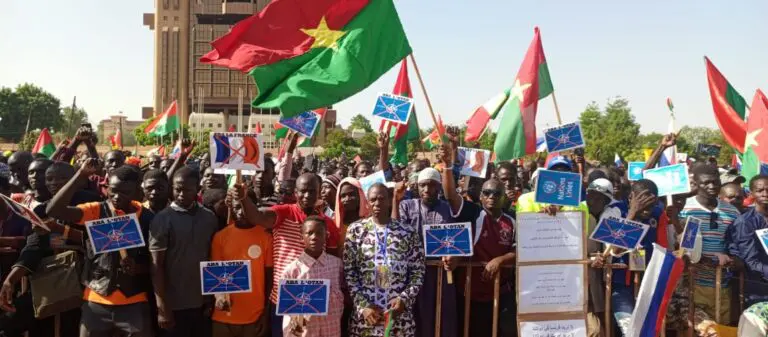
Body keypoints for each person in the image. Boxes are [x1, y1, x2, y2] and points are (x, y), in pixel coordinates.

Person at [46, 161, 154, 337]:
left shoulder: (148, 218)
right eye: (113, 190)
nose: (117, 196)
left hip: (134, 302)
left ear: (137, 192)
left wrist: (138, 267)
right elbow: (54, 210)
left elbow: (157, 262)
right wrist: (80, 176)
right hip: (96, 300)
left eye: (125, 192)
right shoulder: (96, 210)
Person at [233, 173, 340, 337]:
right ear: (295, 193)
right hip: (283, 298)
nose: (307, 196)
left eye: (312, 191)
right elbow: (256, 216)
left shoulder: (328, 224)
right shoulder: (283, 213)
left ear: (319, 192)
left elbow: (332, 263)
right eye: (303, 191)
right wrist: (243, 198)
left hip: (315, 299)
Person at [345, 183, 424, 337]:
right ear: (367, 202)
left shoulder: (408, 232)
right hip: (367, 319)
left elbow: (417, 272)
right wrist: (363, 306)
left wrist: (404, 299)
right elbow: (350, 273)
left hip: (398, 318)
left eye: (381, 199)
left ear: (389, 201)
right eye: (373, 199)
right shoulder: (356, 230)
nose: (377, 203)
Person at [667, 163, 741, 328]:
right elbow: (680, 247)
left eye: (715, 182)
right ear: (695, 183)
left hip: (722, 284)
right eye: (705, 183)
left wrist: (733, 259)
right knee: (699, 329)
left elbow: (735, 245)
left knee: (721, 329)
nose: (711, 186)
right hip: (693, 283)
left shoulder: (732, 212)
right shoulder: (684, 210)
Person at [149, 166, 218, 337]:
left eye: (187, 190)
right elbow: (156, 265)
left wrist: (210, 299)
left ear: (198, 189)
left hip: (202, 303)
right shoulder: (162, 219)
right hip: (174, 305)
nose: (181, 195)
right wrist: (162, 306)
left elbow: (213, 259)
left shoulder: (209, 217)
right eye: (177, 189)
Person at [211, 194, 272, 337]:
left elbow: (269, 278)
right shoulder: (220, 236)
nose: (241, 212)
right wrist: (219, 297)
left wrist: (265, 313)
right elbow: (215, 274)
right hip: (224, 316)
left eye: (245, 207)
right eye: (237, 207)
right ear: (231, 209)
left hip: (254, 316)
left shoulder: (266, 236)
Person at [282, 216, 344, 337]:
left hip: (331, 329)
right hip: (306, 332)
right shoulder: (292, 270)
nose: (314, 237)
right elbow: (288, 308)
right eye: (309, 233)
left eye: (319, 233)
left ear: (326, 236)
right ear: (302, 237)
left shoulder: (337, 265)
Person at [729, 175, 768, 307]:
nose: (765, 194)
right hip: (758, 288)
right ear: (751, 194)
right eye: (760, 190)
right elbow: (750, 261)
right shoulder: (745, 222)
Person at [334, 177, 369, 242]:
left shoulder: (370, 221)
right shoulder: (335, 223)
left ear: (360, 195)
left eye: (351, 194)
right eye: (343, 196)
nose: (347, 199)